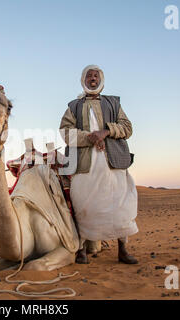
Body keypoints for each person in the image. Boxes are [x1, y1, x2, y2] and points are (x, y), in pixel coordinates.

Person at [59, 65, 139, 264]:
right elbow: (65, 132)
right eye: (89, 75)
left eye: (96, 75)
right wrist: (90, 137)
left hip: (112, 161)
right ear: (83, 80)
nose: (92, 78)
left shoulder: (113, 103)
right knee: (83, 203)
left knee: (119, 203)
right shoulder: (73, 106)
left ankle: (123, 249)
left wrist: (106, 132)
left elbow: (127, 128)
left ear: (101, 80)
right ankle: (81, 250)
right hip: (84, 163)